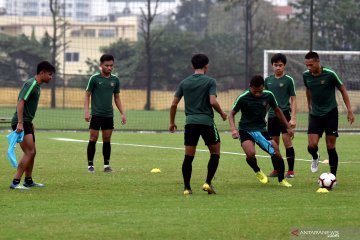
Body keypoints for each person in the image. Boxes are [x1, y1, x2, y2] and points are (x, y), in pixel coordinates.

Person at [169, 53, 227, 195]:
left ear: (192, 66)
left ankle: (187, 188)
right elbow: (212, 101)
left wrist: (172, 122)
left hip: (190, 123)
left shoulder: (184, 82)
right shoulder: (210, 81)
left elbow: (173, 104)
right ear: (206, 66)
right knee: (215, 153)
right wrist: (222, 113)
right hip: (207, 122)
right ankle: (207, 182)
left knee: (188, 157)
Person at [228, 75, 294, 187]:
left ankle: (282, 180)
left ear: (263, 87)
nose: (258, 94)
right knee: (251, 154)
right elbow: (231, 114)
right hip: (246, 130)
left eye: (260, 91)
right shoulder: (243, 97)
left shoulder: (269, 95)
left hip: (261, 130)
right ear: (250, 87)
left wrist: (288, 126)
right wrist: (234, 129)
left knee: (276, 153)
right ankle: (257, 171)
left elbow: (278, 111)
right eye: (255, 91)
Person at [303, 51, 355, 176]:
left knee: (330, 146)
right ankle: (315, 157)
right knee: (311, 145)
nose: (308, 68)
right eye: (307, 65)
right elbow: (308, 89)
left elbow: (342, 89)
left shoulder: (330, 74)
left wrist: (349, 110)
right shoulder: (306, 75)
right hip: (315, 114)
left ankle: (333, 176)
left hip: (330, 113)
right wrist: (309, 104)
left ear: (318, 62)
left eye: (311, 65)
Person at [10, 61, 56, 190]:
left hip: (26, 122)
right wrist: (20, 122)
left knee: (32, 152)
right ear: (42, 72)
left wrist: (29, 122)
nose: (51, 77)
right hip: (21, 123)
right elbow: (20, 101)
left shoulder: (37, 86)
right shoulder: (31, 84)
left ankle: (28, 181)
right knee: (29, 152)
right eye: (50, 74)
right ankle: (15, 182)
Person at [84, 54, 126, 173]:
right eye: (107, 65)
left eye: (111, 65)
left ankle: (106, 165)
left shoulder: (115, 80)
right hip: (96, 114)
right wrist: (87, 111)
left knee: (107, 139)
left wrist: (122, 113)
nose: (109, 68)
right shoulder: (94, 79)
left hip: (108, 115)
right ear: (101, 65)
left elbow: (117, 97)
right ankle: (90, 165)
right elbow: (87, 95)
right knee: (93, 138)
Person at [265, 53, 297, 178]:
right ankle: (277, 170)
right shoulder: (268, 81)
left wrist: (293, 118)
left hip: (285, 116)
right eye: (275, 65)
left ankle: (290, 171)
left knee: (287, 141)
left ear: (284, 66)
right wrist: (263, 116)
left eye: (280, 65)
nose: (278, 67)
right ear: (272, 66)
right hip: (272, 116)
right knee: (274, 144)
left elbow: (293, 99)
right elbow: (266, 101)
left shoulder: (288, 80)